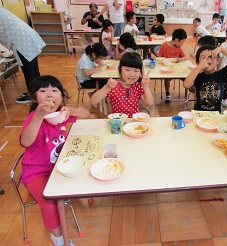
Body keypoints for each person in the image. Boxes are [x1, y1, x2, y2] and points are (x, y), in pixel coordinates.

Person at [19, 75, 90, 246]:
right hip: (36, 171)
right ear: (35, 98)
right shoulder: (33, 119)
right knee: (48, 199)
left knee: (88, 168)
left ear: (61, 96)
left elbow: (86, 113)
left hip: (59, 167)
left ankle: (83, 194)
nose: (49, 95)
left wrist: (70, 111)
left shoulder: (60, 116)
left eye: (54, 90)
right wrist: (38, 116)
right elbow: (25, 142)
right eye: (43, 91)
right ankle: (58, 237)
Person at [0, 7, 46, 104]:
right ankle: (38, 91)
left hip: (21, 41)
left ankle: (32, 95)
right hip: (26, 37)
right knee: (33, 69)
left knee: (28, 70)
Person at [91, 52, 154, 117]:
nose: (132, 74)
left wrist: (145, 87)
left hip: (133, 121)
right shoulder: (113, 85)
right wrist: (106, 88)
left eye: (136, 71)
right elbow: (94, 101)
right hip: (117, 121)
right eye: (127, 70)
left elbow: (150, 103)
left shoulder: (137, 86)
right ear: (120, 69)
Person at [183, 44, 227, 112]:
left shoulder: (221, 74)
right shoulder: (198, 76)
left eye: (211, 56)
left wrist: (221, 49)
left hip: (215, 115)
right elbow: (186, 84)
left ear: (217, 60)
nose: (208, 60)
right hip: (199, 114)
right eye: (203, 58)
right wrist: (199, 67)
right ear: (198, 62)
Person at [157, 28, 188, 103]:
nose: (182, 44)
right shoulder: (164, 45)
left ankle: (189, 89)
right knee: (166, 78)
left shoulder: (178, 47)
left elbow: (185, 57)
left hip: (177, 69)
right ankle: (168, 93)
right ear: (177, 40)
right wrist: (164, 61)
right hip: (167, 68)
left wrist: (180, 60)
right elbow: (158, 57)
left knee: (186, 76)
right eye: (182, 42)